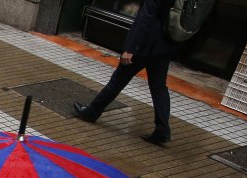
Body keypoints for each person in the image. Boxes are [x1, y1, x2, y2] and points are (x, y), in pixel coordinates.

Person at [73, 0, 179, 145]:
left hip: (144, 46)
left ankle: (92, 112)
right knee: (159, 87)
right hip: (165, 46)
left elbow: (145, 18)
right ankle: (163, 130)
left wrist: (131, 48)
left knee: (117, 81)